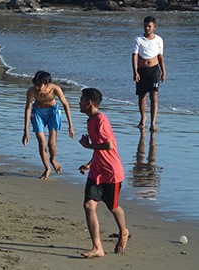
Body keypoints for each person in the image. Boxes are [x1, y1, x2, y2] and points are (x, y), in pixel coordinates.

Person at [77, 88, 130, 258]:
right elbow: (99, 149)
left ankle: (123, 231)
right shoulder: (90, 120)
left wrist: (88, 146)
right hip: (96, 172)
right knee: (88, 205)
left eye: (81, 100)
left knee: (113, 206)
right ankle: (97, 248)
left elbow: (108, 145)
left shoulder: (101, 119)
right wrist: (89, 163)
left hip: (111, 172)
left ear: (89, 103)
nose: (79, 103)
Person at [22, 71, 75, 179]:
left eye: (40, 85)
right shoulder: (32, 91)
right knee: (42, 143)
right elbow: (28, 108)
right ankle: (47, 168)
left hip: (52, 112)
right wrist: (26, 131)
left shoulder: (55, 89)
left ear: (46, 84)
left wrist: (71, 126)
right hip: (38, 113)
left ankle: (53, 159)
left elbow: (65, 104)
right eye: (36, 85)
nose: (37, 88)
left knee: (51, 144)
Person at [132, 16, 165, 132]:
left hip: (154, 70)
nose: (147, 28)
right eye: (145, 26)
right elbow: (134, 56)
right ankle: (142, 119)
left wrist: (164, 72)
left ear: (154, 27)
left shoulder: (159, 40)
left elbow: (160, 56)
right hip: (142, 70)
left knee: (154, 96)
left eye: (149, 26)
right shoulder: (138, 39)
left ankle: (153, 123)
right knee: (142, 96)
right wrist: (135, 72)